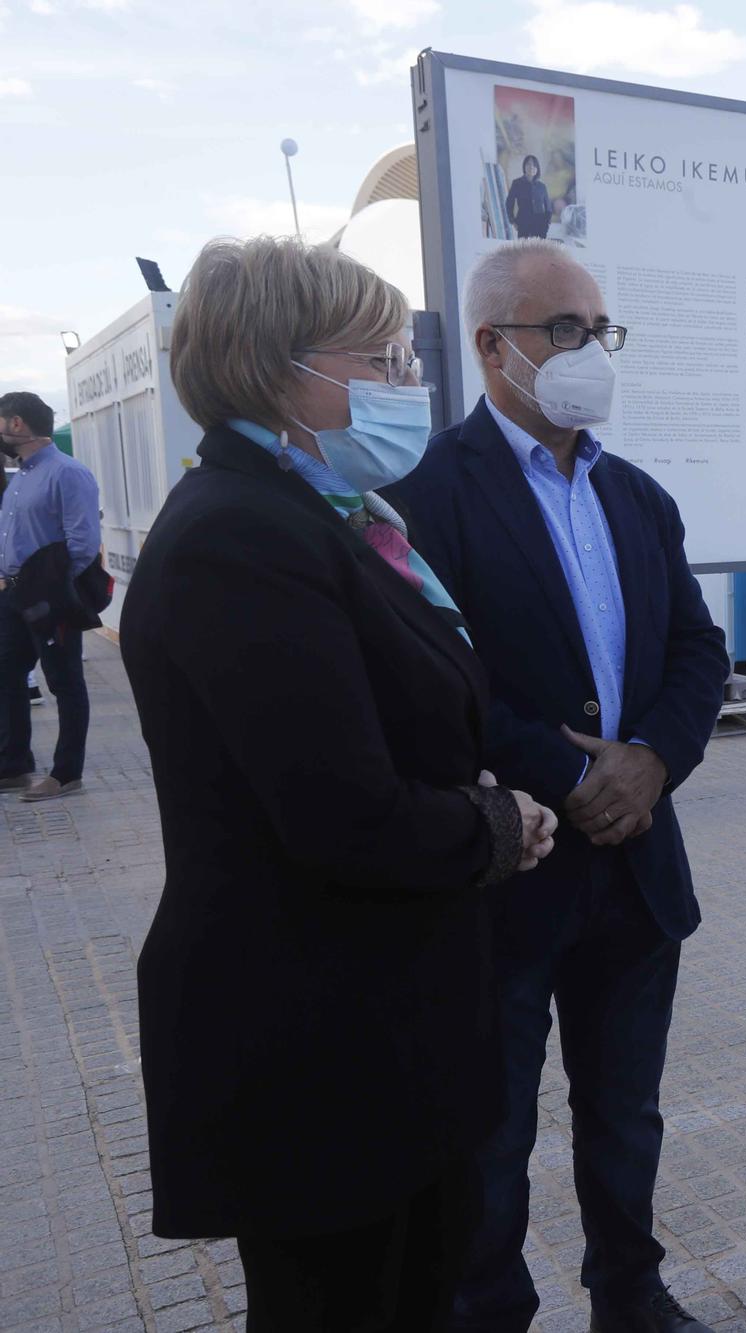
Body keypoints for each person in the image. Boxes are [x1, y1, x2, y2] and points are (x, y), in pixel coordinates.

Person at [120, 236, 559, 1329]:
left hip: (382, 1022)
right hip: (316, 1042)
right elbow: (338, 813)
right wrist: (496, 825)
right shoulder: (240, 536)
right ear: (281, 369)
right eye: (379, 358)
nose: (407, 384)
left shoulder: (335, 518)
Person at [393, 238, 731, 1333]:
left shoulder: (637, 496)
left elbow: (696, 652)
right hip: (514, 863)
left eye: (599, 331)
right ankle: (489, 1308)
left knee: (625, 1114)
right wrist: (567, 770)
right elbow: (442, 683)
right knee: (490, 1128)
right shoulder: (425, 497)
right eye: (565, 330)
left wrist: (650, 762)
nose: (590, 352)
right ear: (494, 347)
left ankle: (629, 1294)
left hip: (635, 861)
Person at [0, 390, 101, 800]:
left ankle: (66, 773)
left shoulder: (67, 472)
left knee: (64, 682)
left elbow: (83, 542)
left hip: (49, 597)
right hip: (12, 595)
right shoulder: (21, 475)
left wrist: (56, 589)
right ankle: (13, 766)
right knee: (7, 674)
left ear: (16, 423)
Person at [507, 155, 553, 240]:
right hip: (523, 224)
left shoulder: (542, 187)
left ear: (537, 169)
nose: (531, 167)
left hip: (540, 226)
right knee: (523, 251)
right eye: (528, 164)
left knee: (539, 252)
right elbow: (509, 203)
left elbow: (548, 208)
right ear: (524, 166)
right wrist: (512, 221)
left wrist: (547, 223)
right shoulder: (517, 183)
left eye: (534, 165)